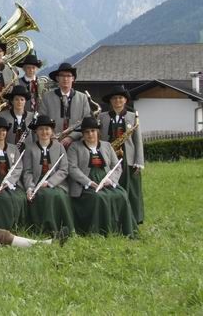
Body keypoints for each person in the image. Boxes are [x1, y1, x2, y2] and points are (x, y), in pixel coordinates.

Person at [68, 117, 137, 236]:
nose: (90, 134)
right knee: (98, 198)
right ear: (83, 134)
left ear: (98, 132)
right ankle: (99, 232)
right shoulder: (75, 147)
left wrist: (110, 180)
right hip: (85, 184)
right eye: (87, 132)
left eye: (93, 131)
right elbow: (72, 168)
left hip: (106, 180)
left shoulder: (107, 146)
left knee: (122, 195)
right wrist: (89, 183)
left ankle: (122, 230)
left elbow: (117, 166)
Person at [21, 114, 75, 234]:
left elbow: (64, 169)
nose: (44, 132)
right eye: (40, 129)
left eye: (47, 129)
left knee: (57, 195)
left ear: (51, 131)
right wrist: (30, 187)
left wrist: (50, 182)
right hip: (36, 183)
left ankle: (58, 228)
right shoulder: (30, 148)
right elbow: (28, 171)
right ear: (36, 131)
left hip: (56, 183)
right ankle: (42, 229)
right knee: (41, 196)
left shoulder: (59, 147)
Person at [99, 84, 145, 224]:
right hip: (109, 156)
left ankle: (133, 218)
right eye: (114, 98)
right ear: (110, 101)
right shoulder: (102, 117)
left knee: (131, 189)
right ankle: (114, 217)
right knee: (111, 186)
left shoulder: (133, 117)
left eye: (120, 98)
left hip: (128, 159)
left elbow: (138, 141)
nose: (117, 101)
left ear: (125, 100)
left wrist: (139, 162)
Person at [42, 62, 93, 147]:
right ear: (57, 78)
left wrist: (71, 137)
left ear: (73, 78)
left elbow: (87, 123)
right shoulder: (47, 97)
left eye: (68, 76)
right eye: (62, 76)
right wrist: (51, 135)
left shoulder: (83, 98)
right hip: (51, 142)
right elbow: (42, 119)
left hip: (76, 143)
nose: (65, 79)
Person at [0, 85, 37, 149]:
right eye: (16, 99)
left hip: (28, 153)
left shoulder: (32, 116)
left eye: (22, 99)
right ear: (12, 101)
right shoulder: (3, 116)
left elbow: (35, 137)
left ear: (25, 101)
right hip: (9, 152)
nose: (19, 102)